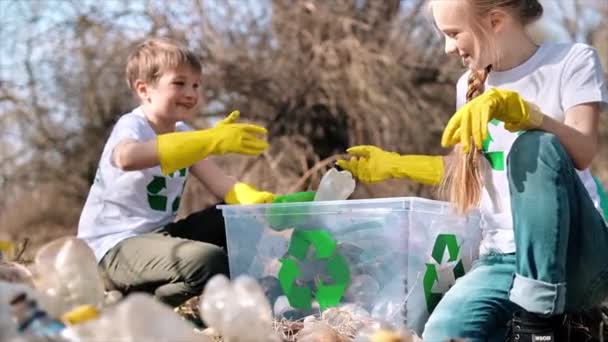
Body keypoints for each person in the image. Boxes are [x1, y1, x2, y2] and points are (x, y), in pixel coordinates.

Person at [337, 0, 608, 340]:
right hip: (503, 261)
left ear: (495, 20)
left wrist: (532, 117)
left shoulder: (571, 61)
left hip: (577, 255)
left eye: (453, 34)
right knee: (442, 333)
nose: (447, 48)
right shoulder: (467, 85)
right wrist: (395, 164)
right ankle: (540, 324)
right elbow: (470, 174)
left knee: (534, 146)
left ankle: (540, 323)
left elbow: (583, 151)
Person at [77, 37, 275, 307]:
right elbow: (126, 157)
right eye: (179, 83)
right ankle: (136, 302)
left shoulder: (184, 134)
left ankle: (220, 294)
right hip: (113, 249)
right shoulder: (132, 125)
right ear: (144, 89)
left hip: (159, 237)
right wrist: (208, 140)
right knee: (210, 261)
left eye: (196, 85)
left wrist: (256, 204)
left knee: (236, 220)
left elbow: (221, 184)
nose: (191, 93)